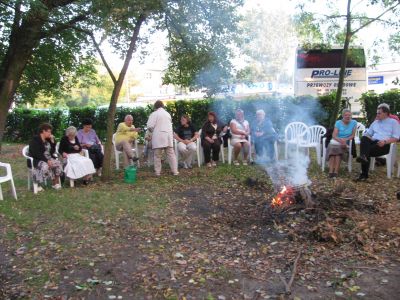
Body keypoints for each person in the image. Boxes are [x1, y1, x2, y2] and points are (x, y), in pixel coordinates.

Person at [356, 103, 400, 181]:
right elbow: (368, 133)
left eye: (379, 113)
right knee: (364, 138)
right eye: (377, 113)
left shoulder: (393, 122)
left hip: (385, 144)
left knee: (365, 152)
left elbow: (396, 137)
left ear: (386, 113)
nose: (377, 115)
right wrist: (370, 138)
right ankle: (364, 158)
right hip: (374, 142)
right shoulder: (375, 122)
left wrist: (385, 141)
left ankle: (363, 174)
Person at [147, 100, 179, 176]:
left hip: (159, 137)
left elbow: (150, 126)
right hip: (168, 137)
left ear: (155, 107)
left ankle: (157, 172)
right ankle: (175, 171)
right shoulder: (168, 114)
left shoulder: (154, 114)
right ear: (162, 106)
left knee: (157, 155)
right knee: (171, 154)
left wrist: (151, 131)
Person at [28, 123, 62, 191]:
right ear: (43, 131)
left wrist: (53, 142)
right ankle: (37, 185)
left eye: (50, 132)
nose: (50, 133)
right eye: (49, 131)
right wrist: (47, 161)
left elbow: (51, 152)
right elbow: (37, 153)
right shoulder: (35, 140)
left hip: (48, 158)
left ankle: (54, 183)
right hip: (37, 159)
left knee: (58, 164)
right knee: (45, 166)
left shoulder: (48, 140)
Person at [325, 109, 357, 178]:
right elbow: (334, 135)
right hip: (337, 140)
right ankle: (331, 171)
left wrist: (345, 140)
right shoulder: (338, 122)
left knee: (337, 151)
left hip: (347, 140)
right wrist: (340, 141)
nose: (348, 116)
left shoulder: (354, 122)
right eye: (346, 115)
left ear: (351, 116)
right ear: (342, 116)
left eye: (349, 115)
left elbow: (352, 135)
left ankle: (335, 172)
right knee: (333, 150)